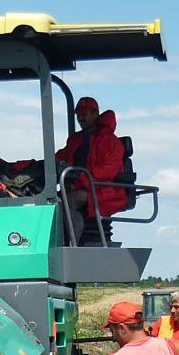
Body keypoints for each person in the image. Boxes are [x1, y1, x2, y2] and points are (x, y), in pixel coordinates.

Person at [53, 96, 126, 245]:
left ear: (95, 113)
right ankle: (54, 242)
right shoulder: (76, 140)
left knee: (69, 201)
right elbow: (60, 156)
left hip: (103, 190)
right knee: (51, 201)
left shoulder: (111, 142)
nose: (80, 117)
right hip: (81, 186)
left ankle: (73, 244)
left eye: (84, 113)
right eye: (78, 113)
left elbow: (107, 171)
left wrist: (80, 181)